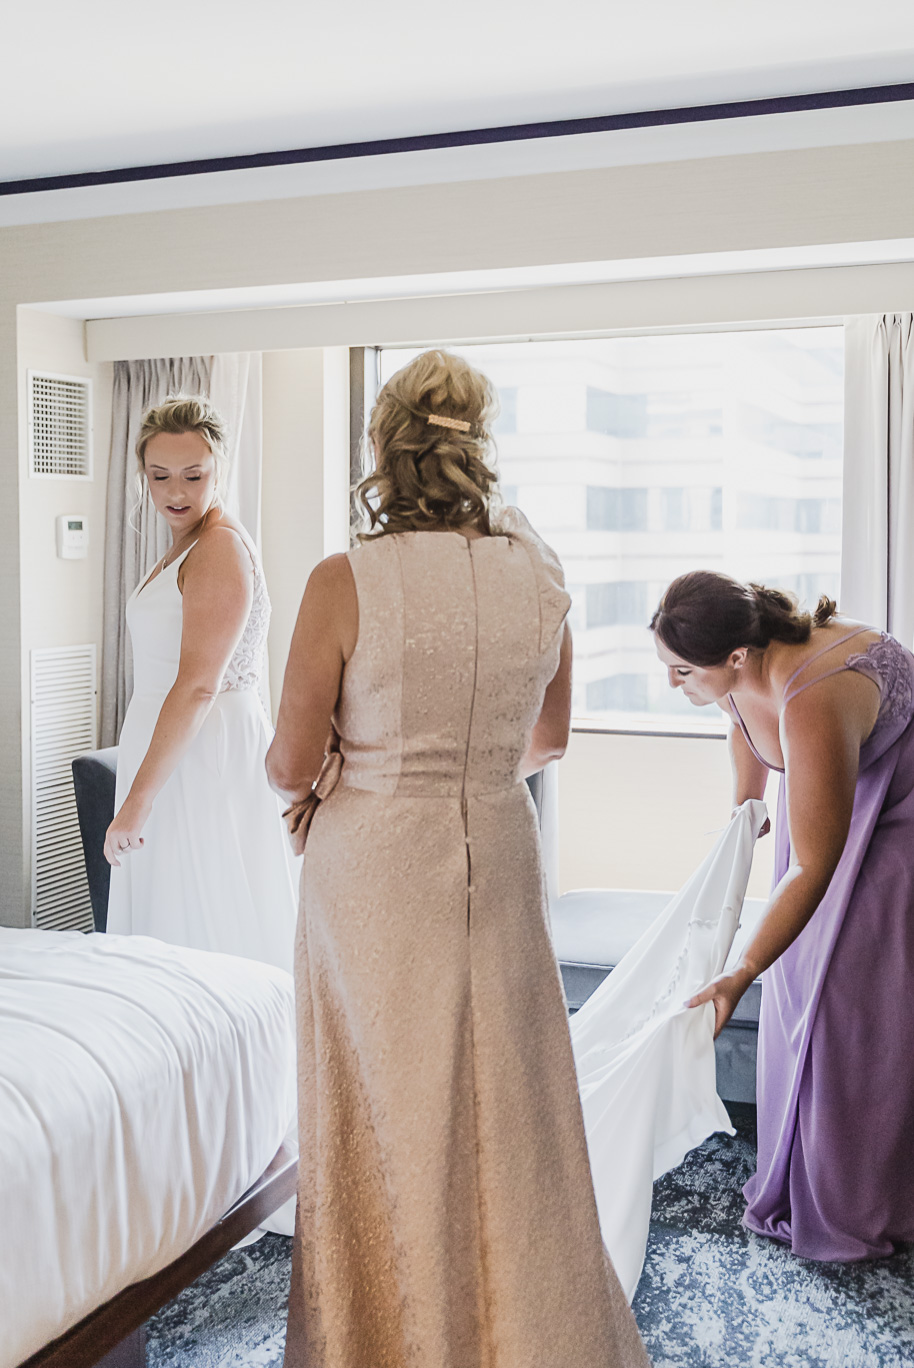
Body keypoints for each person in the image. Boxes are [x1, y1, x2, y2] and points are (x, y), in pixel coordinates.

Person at [267, 350, 648, 1368]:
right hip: (496, 840)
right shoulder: (540, 574)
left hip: (375, 865)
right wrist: (465, 764)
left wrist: (361, 765)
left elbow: (287, 763)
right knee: (507, 1098)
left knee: (384, 1098)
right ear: (479, 447)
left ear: (380, 451)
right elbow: (549, 742)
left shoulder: (344, 579)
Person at [651, 570, 914, 1261]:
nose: (674, 685)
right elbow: (743, 733)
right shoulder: (738, 665)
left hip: (898, 822)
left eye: (682, 671)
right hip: (828, 805)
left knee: (852, 1005)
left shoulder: (816, 693)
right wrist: (744, 815)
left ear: (736, 655)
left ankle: (861, 1199)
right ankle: (797, 1176)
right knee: (796, 986)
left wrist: (740, 974)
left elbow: (813, 867)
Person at [104, 396, 298, 973]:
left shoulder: (217, 547)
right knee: (177, 916)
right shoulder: (187, 542)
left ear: (220, 468)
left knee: (206, 924)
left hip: (202, 755)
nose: (176, 491)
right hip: (174, 751)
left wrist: (138, 801)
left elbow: (197, 686)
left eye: (194, 475)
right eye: (160, 476)